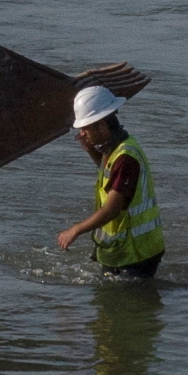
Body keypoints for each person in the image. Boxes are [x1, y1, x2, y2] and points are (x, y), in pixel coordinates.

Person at [54, 84, 165, 279]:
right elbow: (110, 174)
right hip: (122, 251)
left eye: (86, 129)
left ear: (102, 125)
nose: (83, 134)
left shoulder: (125, 157)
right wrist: (91, 151)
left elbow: (113, 209)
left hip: (136, 255)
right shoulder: (114, 149)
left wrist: (75, 230)